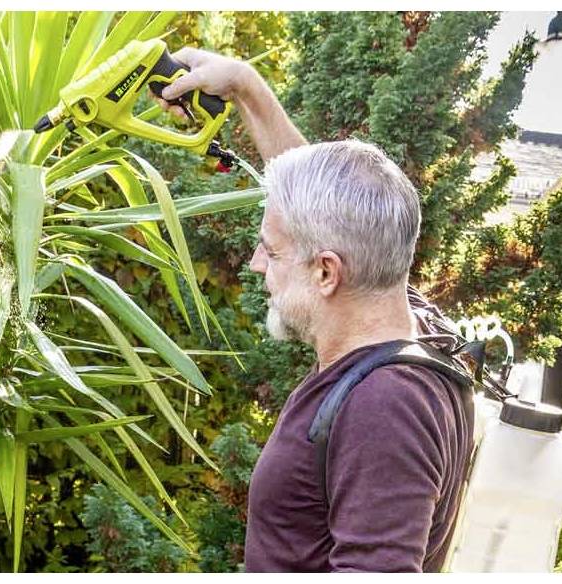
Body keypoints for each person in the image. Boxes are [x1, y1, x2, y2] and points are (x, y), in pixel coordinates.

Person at [153, 48, 475, 572]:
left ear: (327, 272)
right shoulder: (406, 323)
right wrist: (245, 88)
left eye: (272, 251)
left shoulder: (386, 406)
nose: (258, 263)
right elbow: (331, 204)